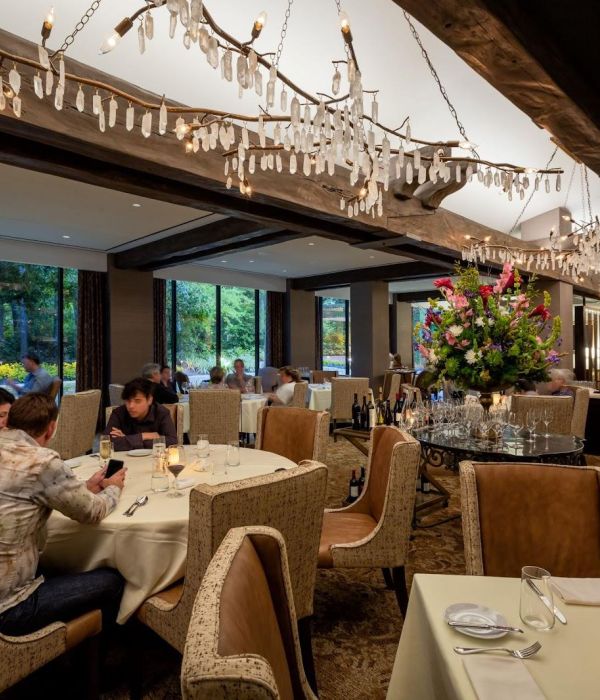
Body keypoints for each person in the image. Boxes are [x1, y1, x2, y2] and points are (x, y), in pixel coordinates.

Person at [0, 393, 126, 636]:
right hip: (10, 608)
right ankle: (100, 653)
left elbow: (27, 493)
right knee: (114, 579)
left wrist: (85, 487)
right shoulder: (41, 461)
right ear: (51, 428)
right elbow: (93, 512)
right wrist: (114, 488)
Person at [104, 377, 178, 451]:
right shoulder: (118, 413)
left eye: (137, 401)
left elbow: (172, 442)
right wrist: (143, 436)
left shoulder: (161, 413)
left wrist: (127, 439)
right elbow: (107, 443)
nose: (131, 406)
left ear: (149, 400)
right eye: (128, 401)